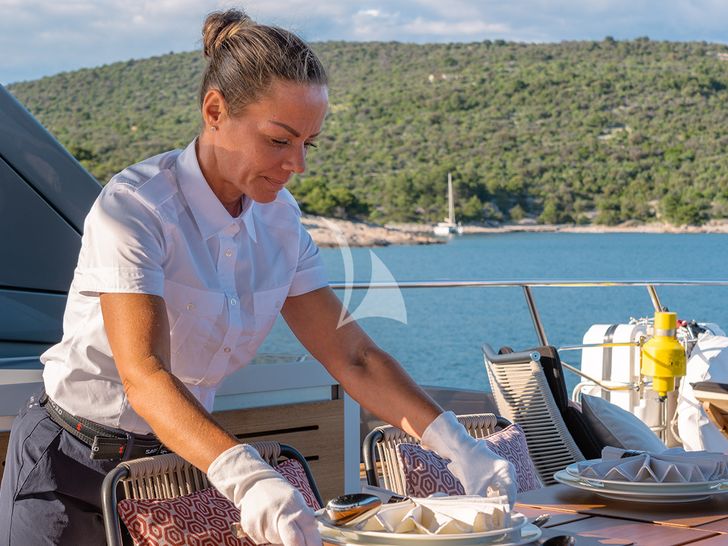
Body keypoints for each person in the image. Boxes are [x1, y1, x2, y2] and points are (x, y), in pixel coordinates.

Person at [0, 7, 515, 546]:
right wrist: (247, 479)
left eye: (308, 143)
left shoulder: (281, 220)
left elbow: (353, 358)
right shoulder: (135, 209)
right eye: (278, 140)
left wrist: (456, 444)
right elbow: (145, 375)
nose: (298, 164)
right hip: (70, 465)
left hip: (177, 471)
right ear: (215, 110)